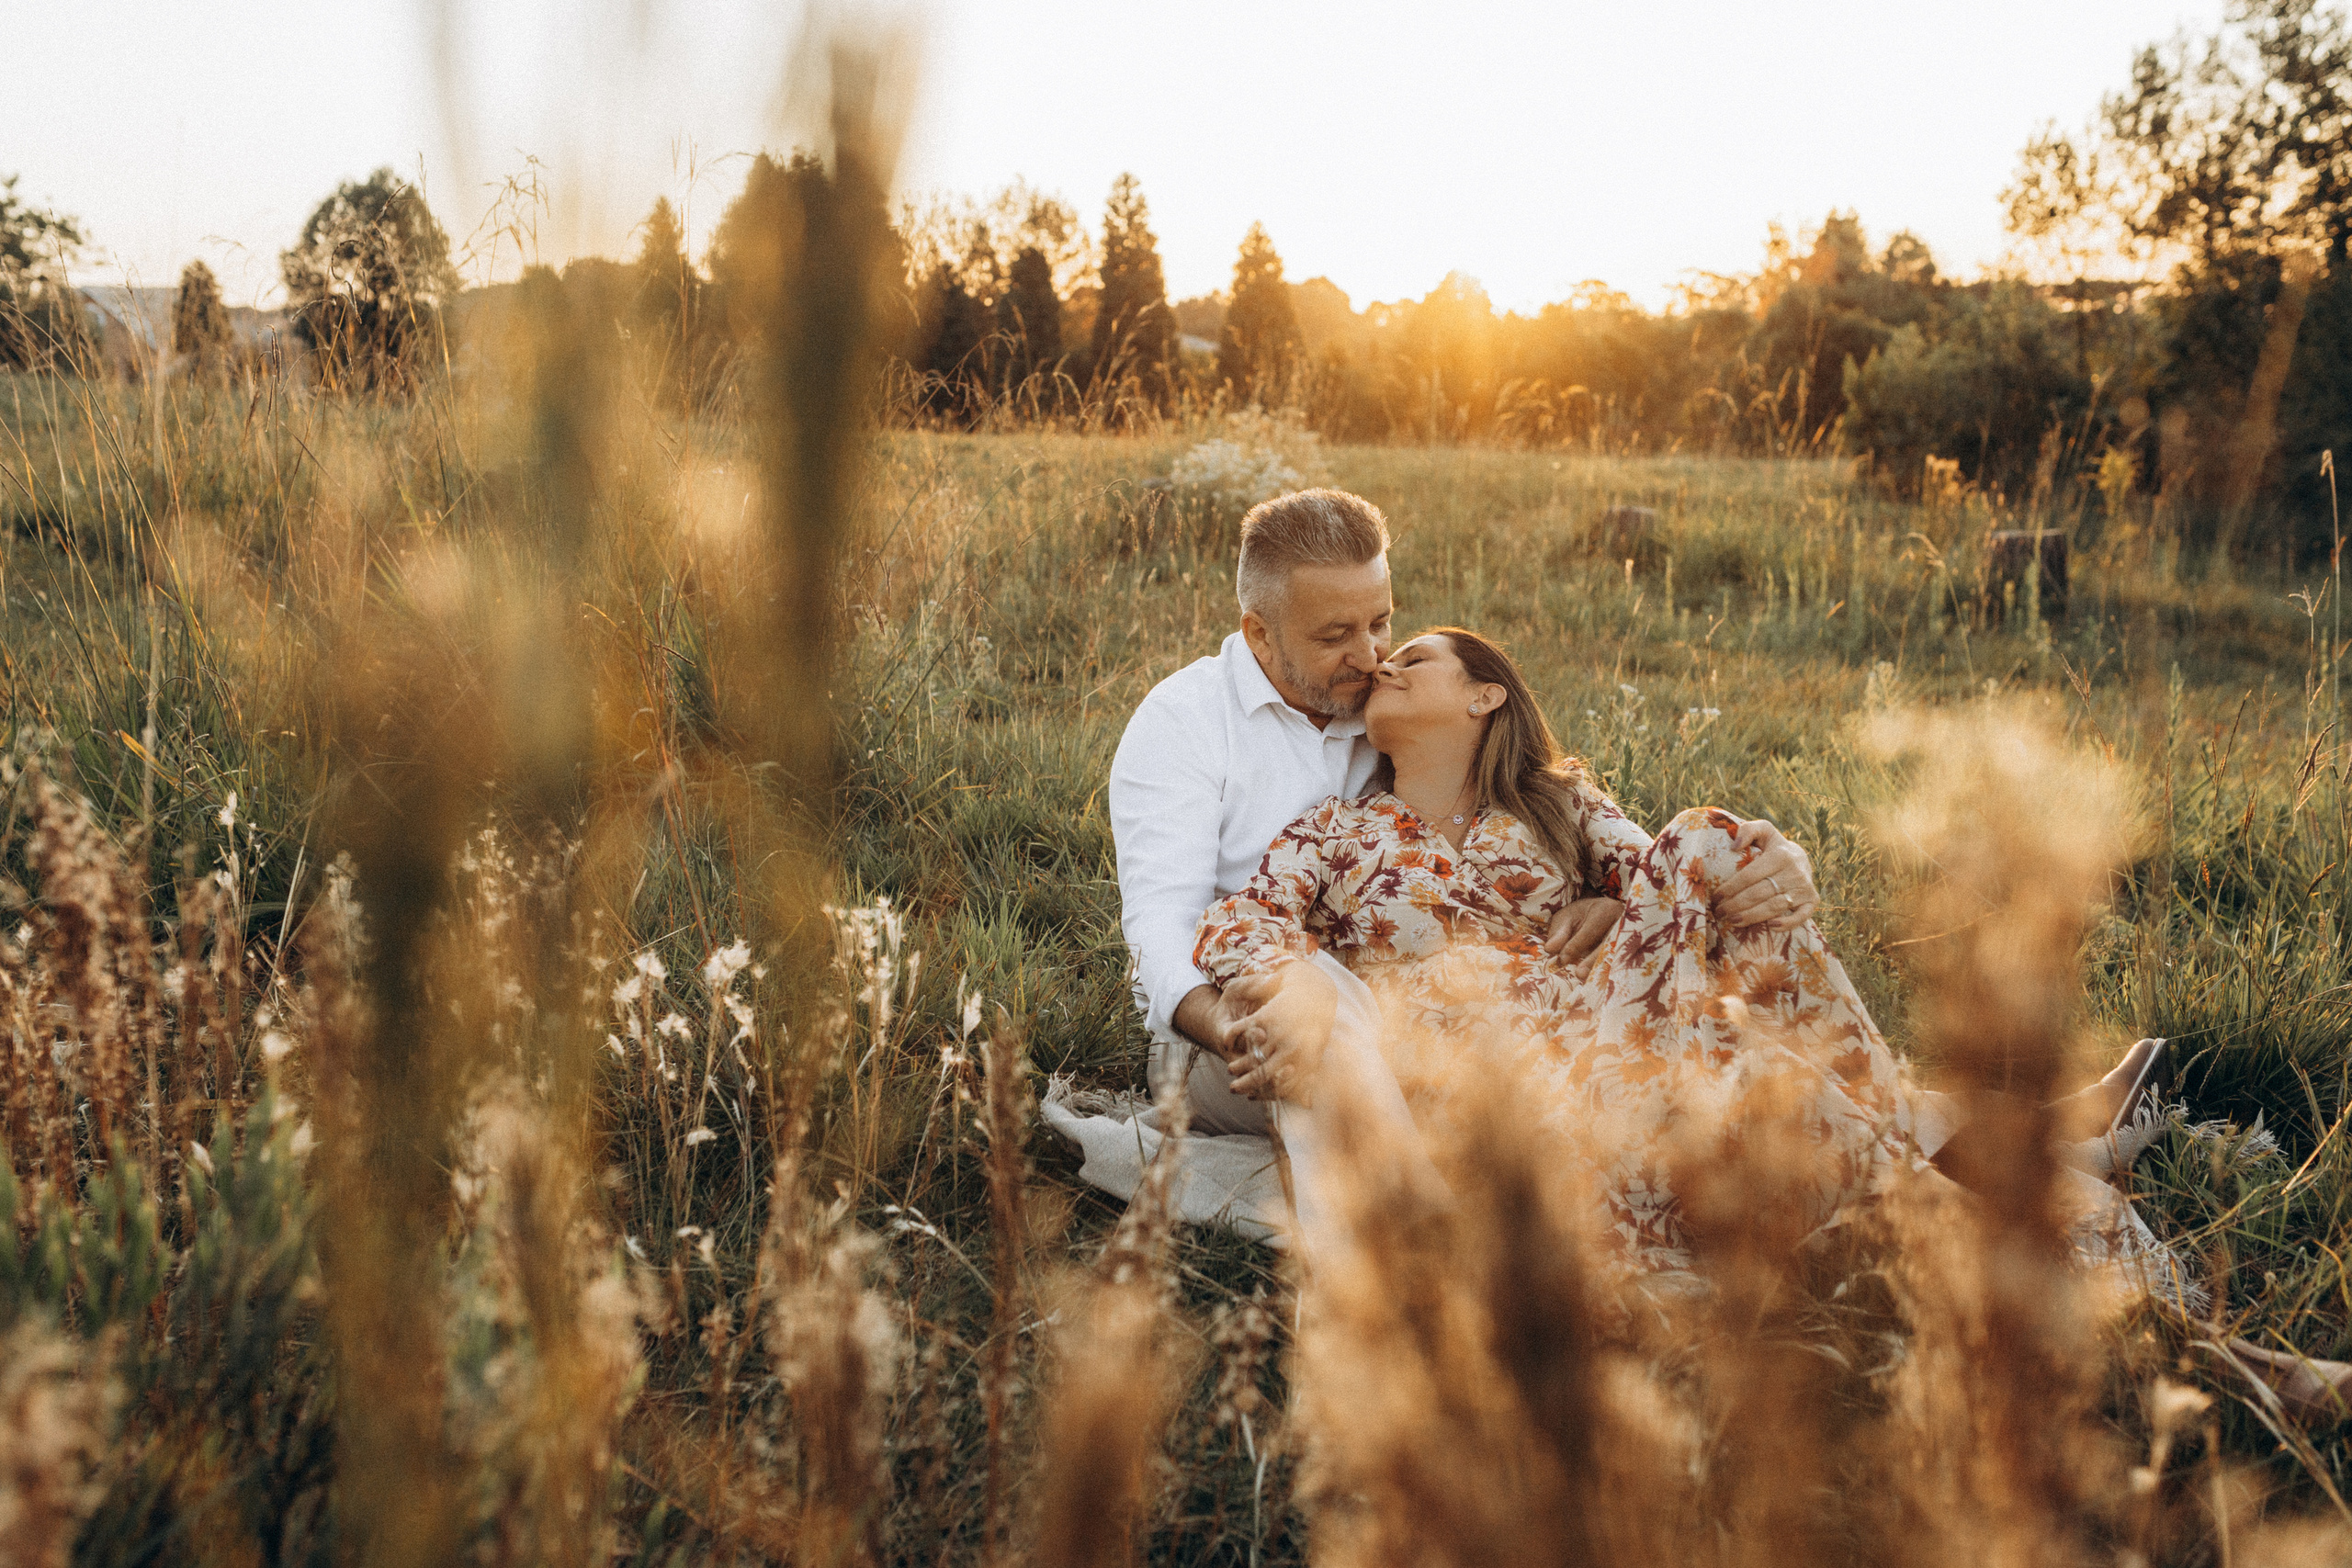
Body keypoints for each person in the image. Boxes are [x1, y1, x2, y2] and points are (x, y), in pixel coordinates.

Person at [1107, 490, 1822, 1140]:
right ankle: (1403, 1245)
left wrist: (1631, 897)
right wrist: (1244, 1019)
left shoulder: (1395, 709)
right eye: (1335, 636)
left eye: (1382, 622)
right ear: (1260, 634)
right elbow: (1161, 928)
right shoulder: (1185, 723)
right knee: (1335, 1005)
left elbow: (1643, 854)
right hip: (1223, 1023)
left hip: (1454, 1013)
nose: (1372, 657)